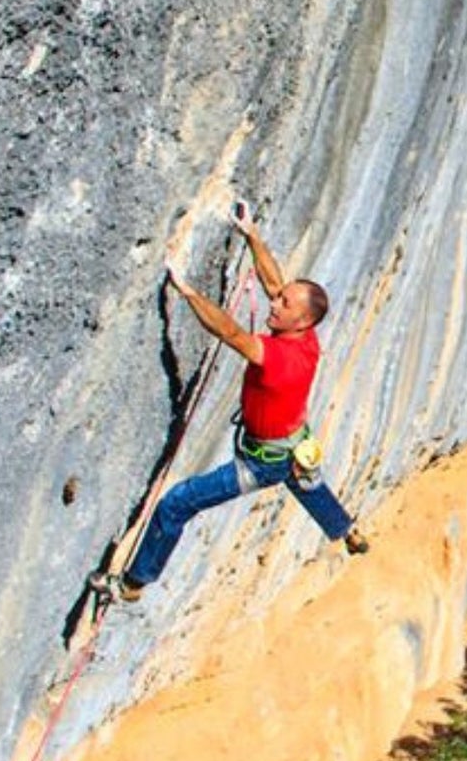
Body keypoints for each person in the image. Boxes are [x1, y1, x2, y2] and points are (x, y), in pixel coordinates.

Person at [90, 206, 368, 603]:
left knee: (177, 502)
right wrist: (251, 233)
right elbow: (275, 283)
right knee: (306, 480)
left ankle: (131, 585)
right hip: (292, 443)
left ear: (302, 322)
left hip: (262, 460)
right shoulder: (305, 336)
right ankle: (345, 529)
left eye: (283, 306)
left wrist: (187, 292)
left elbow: (232, 333)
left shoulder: (280, 358)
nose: (274, 303)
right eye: (281, 299)